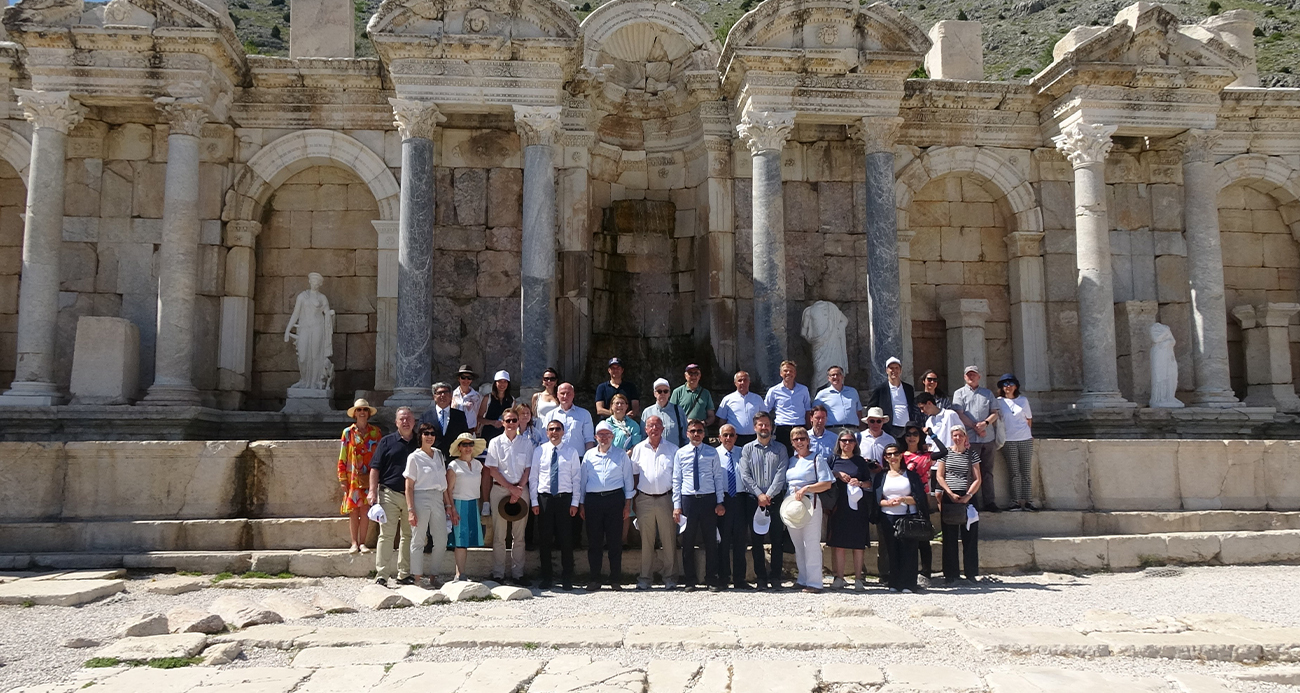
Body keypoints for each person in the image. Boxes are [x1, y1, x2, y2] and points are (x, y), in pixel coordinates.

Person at [579, 422, 635, 590]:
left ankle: (615, 579)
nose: (604, 438)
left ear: (612, 436)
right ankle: (594, 579)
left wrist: (627, 505)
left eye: (607, 435)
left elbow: (628, 481)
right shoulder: (588, 455)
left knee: (614, 541)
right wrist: (582, 504)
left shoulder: (621, 455)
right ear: (596, 437)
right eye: (600, 435)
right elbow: (583, 482)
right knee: (594, 541)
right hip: (593, 501)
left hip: (614, 500)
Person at [368, 406, 420, 586]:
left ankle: (404, 573)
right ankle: (382, 574)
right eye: (402, 419)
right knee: (386, 535)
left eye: (408, 418)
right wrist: (372, 490)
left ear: (414, 421)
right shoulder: (386, 442)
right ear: (396, 422)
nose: (405, 422)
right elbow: (375, 468)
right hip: (389, 493)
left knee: (408, 535)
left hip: (412, 496)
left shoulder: (421, 442)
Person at [673, 419, 725, 592]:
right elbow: (677, 480)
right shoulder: (680, 453)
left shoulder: (712, 453)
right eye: (693, 431)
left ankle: (711, 579)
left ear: (704, 433)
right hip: (689, 499)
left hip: (708, 499)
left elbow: (718, 477)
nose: (696, 434)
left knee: (710, 541)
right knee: (688, 541)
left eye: (700, 431)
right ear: (687, 433)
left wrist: (719, 502)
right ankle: (690, 580)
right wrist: (677, 505)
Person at [738, 411, 788, 591]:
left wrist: (769, 495)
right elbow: (745, 475)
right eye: (760, 424)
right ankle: (761, 577)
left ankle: (775, 577)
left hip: (775, 499)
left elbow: (781, 474)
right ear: (755, 427)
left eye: (767, 424)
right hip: (754, 500)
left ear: (772, 426)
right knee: (757, 540)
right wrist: (759, 495)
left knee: (776, 539)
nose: (764, 427)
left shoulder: (780, 449)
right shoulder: (747, 449)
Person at [485, 405, 534, 585]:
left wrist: (519, 488)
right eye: (508, 421)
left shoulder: (526, 443)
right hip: (500, 489)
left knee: (519, 535)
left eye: (514, 420)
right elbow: (492, 469)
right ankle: (498, 573)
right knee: (499, 535)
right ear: (503, 423)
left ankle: (518, 574)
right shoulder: (495, 442)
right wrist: (510, 488)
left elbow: (528, 468)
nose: (512, 424)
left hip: (521, 490)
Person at [530, 419, 581, 590]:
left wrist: (575, 502)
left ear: (563, 431)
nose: (554, 432)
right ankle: (546, 577)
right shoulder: (539, 451)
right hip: (545, 499)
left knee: (566, 539)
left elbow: (576, 479)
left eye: (558, 429)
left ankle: (567, 577)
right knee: (545, 540)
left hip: (564, 499)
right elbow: (534, 477)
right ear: (546, 432)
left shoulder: (571, 452)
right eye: (551, 429)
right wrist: (534, 501)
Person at [630, 415, 680, 590]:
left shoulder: (673, 450)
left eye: (658, 425)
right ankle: (645, 578)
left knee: (668, 540)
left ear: (663, 429)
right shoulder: (638, 449)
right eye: (651, 425)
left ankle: (670, 578)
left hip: (667, 498)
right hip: (644, 498)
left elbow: (677, 477)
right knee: (646, 541)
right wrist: (635, 499)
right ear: (645, 429)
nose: (654, 429)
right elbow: (634, 475)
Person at [873, 443, 929, 593]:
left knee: (908, 550)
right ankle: (894, 583)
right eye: (889, 455)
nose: (893, 457)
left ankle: (908, 584)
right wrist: (888, 503)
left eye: (895, 454)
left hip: (907, 516)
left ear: (900, 455)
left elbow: (919, 498)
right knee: (891, 550)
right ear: (885, 458)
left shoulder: (911, 475)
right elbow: (877, 499)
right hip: (888, 516)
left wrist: (904, 499)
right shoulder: (881, 476)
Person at [785, 426, 832, 593]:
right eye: (796, 439)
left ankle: (815, 582)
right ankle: (802, 578)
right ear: (792, 442)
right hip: (792, 507)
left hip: (811, 504)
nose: (799, 442)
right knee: (798, 544)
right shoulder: (791, 461)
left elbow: (827, 483)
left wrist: (807, 488)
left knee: (811, 543)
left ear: (808, 440)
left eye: (802, 438)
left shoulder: (816, 459)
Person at [404, 423, 450, 588]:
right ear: (420, 436)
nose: (429, 436)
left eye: (432, 433)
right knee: (418, 539)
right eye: (426, 433)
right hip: (420, 497)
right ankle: (417, 578)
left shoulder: (438, 454)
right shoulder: (414, 457)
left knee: (441, 539)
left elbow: (443, 482)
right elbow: (409, 486)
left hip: (438, 497)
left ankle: (434, 575)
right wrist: (411, 510)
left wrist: (448, 505)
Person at [936, 426, 983, 585]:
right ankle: (950, 573)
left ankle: (971, 572)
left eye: (960, 435)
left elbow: (977, 478)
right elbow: (940, 476)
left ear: (965, 437)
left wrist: (968, 495)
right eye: (954, 435)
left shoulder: (972, 454)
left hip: (968, 494)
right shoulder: (946, 454)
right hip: (950, 495)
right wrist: (949, 493)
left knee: (970, 536)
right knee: (949, 537)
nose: (957, 438)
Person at [901, 422, 947, 586]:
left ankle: (926, 571)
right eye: (908, 434)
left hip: (922, 496)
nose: (911, 437)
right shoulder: (899, 455)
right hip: (904, 495)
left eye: (915, 434)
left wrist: (932, 434)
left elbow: (944, 451)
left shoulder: (926, 456)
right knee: (904, 532)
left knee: (922, 534)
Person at [950, 365, 999, 512]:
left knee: (988, 471)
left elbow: (994, 412)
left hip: (987, 438)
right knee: (971, 472)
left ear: (979, 376)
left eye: (974, 374)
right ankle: (972, 502)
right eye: (968, 375)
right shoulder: (959, 393)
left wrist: (985, 424)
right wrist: (975, 427)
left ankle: (990, 502)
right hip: (970, 438)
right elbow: (959, 413)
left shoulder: (987, 393)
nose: (971, 377)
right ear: (965, 377)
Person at [827, 431, 870, 591]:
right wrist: (837, 474)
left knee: (858, 544)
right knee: (839, 544)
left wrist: (858, 482)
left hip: (858, 506)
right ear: (839, 442)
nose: (847, 443)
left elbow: (869, 483)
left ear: (855, 443)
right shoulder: (833, 460)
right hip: (838, 505)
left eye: (850, 440)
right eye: (843, 440)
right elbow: (824, 476)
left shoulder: (860, 461)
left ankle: (858, 578)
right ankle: (839, 577)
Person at [338, 398, 381, 554]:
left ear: (368, 413)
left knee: (365, 510)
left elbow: (379, 455)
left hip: (369, 476)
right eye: (359, 410)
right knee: (353, 511)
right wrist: (342, 478)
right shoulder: (348, 432)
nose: (362, 412)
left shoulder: (376, 432)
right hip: (353, 476)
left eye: (364, 410)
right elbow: (343, 455)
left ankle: (362, 542)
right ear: (355, 413)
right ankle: (354, 542)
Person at [446, 433, 486, 580]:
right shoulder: (454, 466)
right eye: (465, 445)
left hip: (473, 503)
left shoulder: (478, 465)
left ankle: (461, 571)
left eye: (470, 444)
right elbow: (448, 489)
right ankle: (460, 574)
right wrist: (451, 508)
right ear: (459, 448)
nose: (468, 448)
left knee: (467, 540)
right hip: (459, 502)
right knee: (460, 540)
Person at [715, 424, 749, 590]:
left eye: (732, 435)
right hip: (723, 499)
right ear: (720, 437)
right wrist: (718, 502)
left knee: (740, 541)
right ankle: (723, 577)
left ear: (736, 437)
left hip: (741, 499)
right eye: (725, 435)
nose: (728, 438)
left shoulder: (743, 453)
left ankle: (740, 578)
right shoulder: (714, 454)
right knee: (723, 540)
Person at [996, 373, 1036, 512]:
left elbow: (1028, 419)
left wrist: (1028, 434)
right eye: (1005, 384)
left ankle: (1028, 500)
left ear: (1016, 386)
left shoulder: (1023, 400)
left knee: (1026, 471)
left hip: (1024, 438)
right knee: (1014, 472)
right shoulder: (999, 402)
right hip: (1008, 440)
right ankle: (1015, 501)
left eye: (1011, 384)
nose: (1008, 386)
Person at [765, 360, 812, 454]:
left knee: (801, 454)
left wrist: (809, 428)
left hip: (800, 427)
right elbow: (765, 410)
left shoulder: (803, 390)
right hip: (783, 428)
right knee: (783, 455)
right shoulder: (774, 391)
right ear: (781, 373)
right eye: (786, 371)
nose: (788, 373)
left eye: (791, 371)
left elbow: (808, 410)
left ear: (795, 373)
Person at [867, 357, 917, 438]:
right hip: (890, 429)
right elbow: (871, 408)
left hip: (907, 429)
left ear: (900, 370)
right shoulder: (880, 389)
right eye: (891, 368)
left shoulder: (908, 388)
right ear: (887, 370)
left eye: (897, 368)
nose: (894, 371)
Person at [419, 382, 471, 457]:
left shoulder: (459, 415)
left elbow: (464, 436)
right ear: (434, 396)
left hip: (454, 457)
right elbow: (420, 437)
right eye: (439, 393)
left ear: (451, 396)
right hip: (431, 456)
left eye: (446, 392)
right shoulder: (426, 416)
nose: (443, 395)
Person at [544, 382, 595, 457]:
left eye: (568, 393)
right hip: (556, 458)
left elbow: (589, 440)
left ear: (573, 395)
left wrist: (589, 459)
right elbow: (545, 439)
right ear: (557, 395)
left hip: (578, 458)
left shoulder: (584, 414)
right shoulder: (550, 415)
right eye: (562, 393)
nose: (565, 396)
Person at [717, 370, 766, 446]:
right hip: (735, 438)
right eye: (739, 380)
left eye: (745, 380)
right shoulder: (727, 399)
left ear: (749, 382)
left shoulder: (757, 399)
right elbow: (722, 420)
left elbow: (764, 418)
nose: (742, 383)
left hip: (754, 437)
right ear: (735, 383)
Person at [642, 378, 686, 447]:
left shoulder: (678, 410)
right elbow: (643, 436)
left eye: (665, 391)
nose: (662, 394)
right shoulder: (647, 412)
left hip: (675, 454)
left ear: (669, 393)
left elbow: (685, 435)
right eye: (659, 391)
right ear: (654, 393)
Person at [477, 370, 515, 442]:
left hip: (505, 436)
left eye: (505, 381)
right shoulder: (488, 398)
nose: (502, 384)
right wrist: (492, 422)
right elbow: (479, 418)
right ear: (495, 383)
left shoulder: (511, 400)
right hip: (488, 435)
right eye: (500, 381)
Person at [452, 365, 483, 431]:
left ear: (472, 380)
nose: (466, 380)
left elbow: (479, 415)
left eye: (469, 378)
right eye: (463, 377)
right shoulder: (452, 395)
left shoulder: (477, 397)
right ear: (458, 378)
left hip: (470, 430)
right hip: (454, 430)